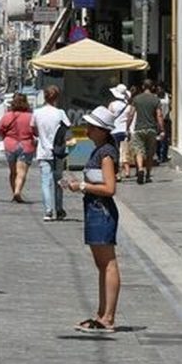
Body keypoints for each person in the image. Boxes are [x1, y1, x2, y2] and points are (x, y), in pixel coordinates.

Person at [65, 107, 121, 333]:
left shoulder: (106, 154)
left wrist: (82, 186)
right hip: (94, 208)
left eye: (91, 126)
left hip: (101, 210)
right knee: (101, 264)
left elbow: (110, 188)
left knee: (108, 263)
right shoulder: (98, 151)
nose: (87, 129)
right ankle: (101, 314)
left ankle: (108, 317)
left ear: (102, 130)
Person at [32, 86, 71, 222]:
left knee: (45, 182)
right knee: (58, 180)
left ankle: (48, 211)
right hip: (58, 151)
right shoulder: (60, 113)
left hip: (43, 151)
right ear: (57, 98)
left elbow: (33, 129)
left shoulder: (37, 112)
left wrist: (42, 135)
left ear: (44, 97)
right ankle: (59, 209)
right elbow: (68, 127)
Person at [0, 94, 36, 203]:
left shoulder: (7, 116)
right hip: (26, 144)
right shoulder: (30, 116)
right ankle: (17, 191)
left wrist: (6, 135)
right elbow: (36, 132)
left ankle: (14, 192)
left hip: (10, 145)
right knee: (21, 171)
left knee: (13, 171)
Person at [129, 80, 164, 185]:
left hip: (139, 128)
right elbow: (159, 115)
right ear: (152, 87)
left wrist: (127, 127)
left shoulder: (136, 99)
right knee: (150, 153)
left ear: (143, 87)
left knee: (138, 151)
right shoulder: (156, 99)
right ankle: (148, 175)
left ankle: (140, 169)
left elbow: (131, 114)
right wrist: (162, 129)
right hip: (151, 129)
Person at [107, 84, 133, 181]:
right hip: (124, 131)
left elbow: (109, 117)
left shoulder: (112, 105)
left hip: (114, 131)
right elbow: (130, 119)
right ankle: (124, 171)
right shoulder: (129, 106)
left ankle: (116, 173)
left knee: (115, 152)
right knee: (124, 152)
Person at [156, 82, 172, 166]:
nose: (159, 90)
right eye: (157, 89)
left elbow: (171, 106)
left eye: (160, 89)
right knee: (157, 139)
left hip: (166, 119)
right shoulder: (155, 97)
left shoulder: (168, 96)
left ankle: (164, 155)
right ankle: (159, 154)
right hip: (157, 120)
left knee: (165, 139)